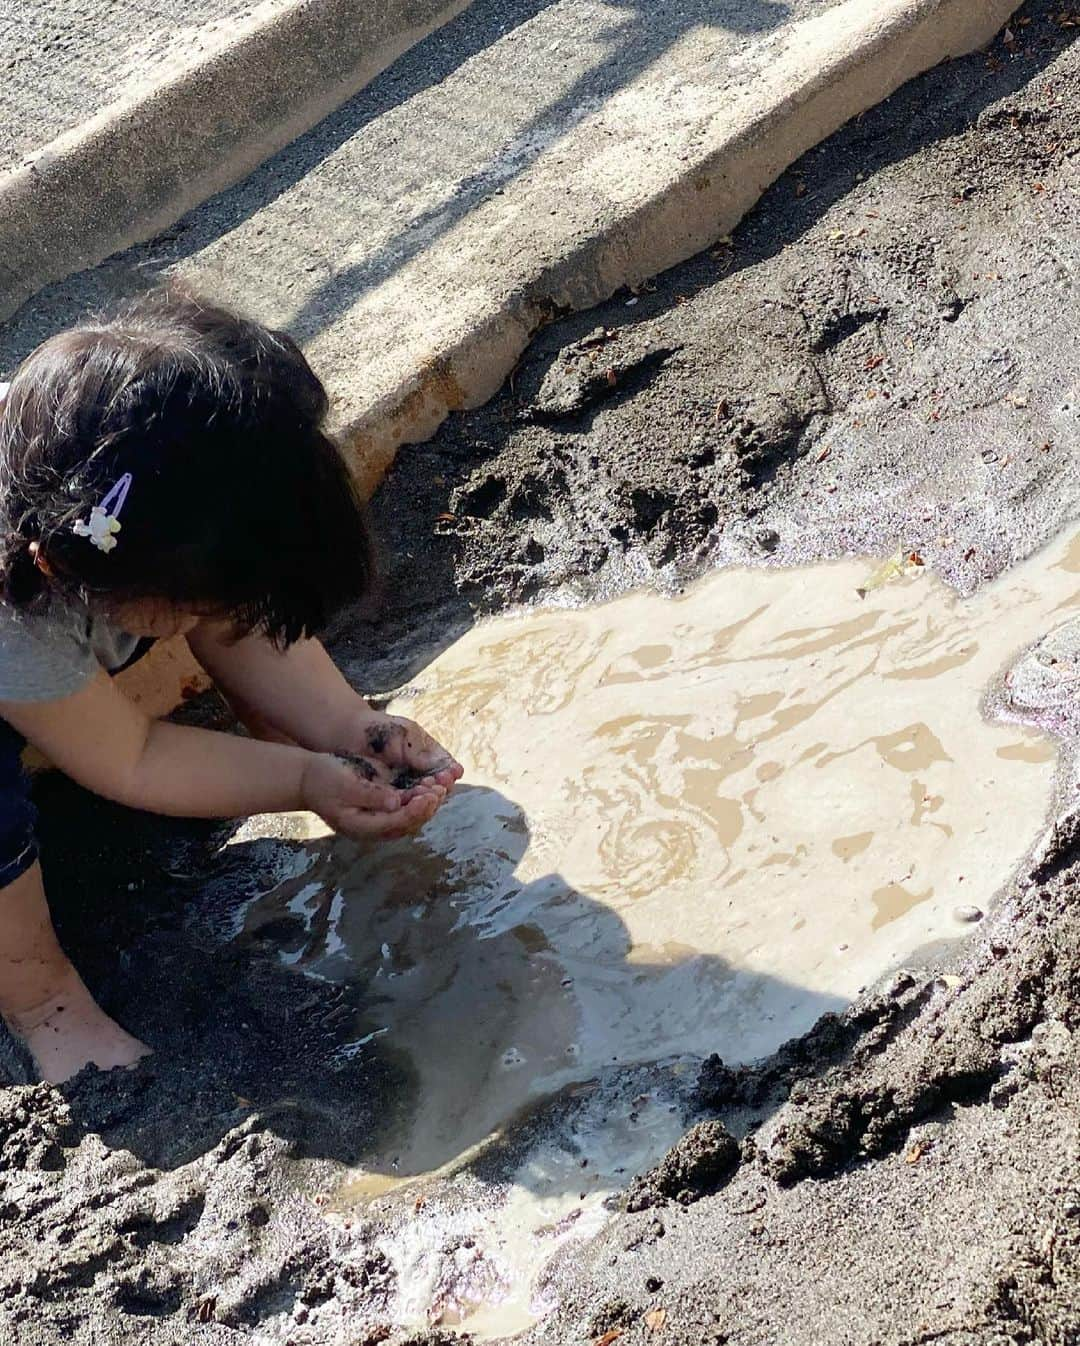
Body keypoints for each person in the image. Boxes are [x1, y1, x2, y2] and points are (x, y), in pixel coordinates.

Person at [0, 289, 462, 1084]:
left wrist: (352, 733)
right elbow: (134, 757)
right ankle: (42, 1001)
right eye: (207, 607)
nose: (229, 617)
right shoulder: (21, 607)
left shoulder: (135, 487)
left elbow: (236, 620)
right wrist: (305, 780)